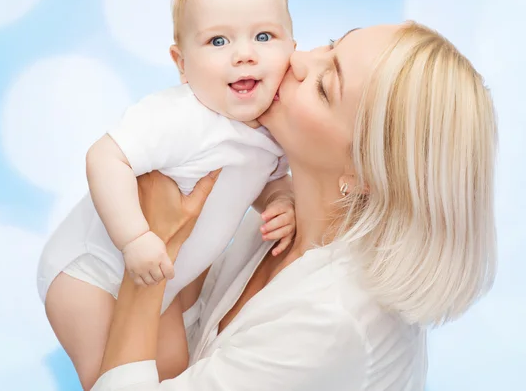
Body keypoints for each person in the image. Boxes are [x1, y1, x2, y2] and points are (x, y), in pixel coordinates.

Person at [90, 22, 497, 391]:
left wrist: (151, 256)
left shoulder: (333, 322)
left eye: (324, 86)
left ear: (364, 173)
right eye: (331, 45)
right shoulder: (281, 218)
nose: (296, 59)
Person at [38, 0, 299, 390]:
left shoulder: (274, 129)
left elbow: (267, 178)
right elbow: (105, 157)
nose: (245, 55)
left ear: (292, 45)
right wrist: (135, 237)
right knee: (109, 373)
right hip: (89, 273)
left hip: (163, 283)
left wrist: (280, 201)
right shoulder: (181, 118)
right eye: (219, 41)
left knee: (176, 372)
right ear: (182, 64)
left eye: (264, 35)